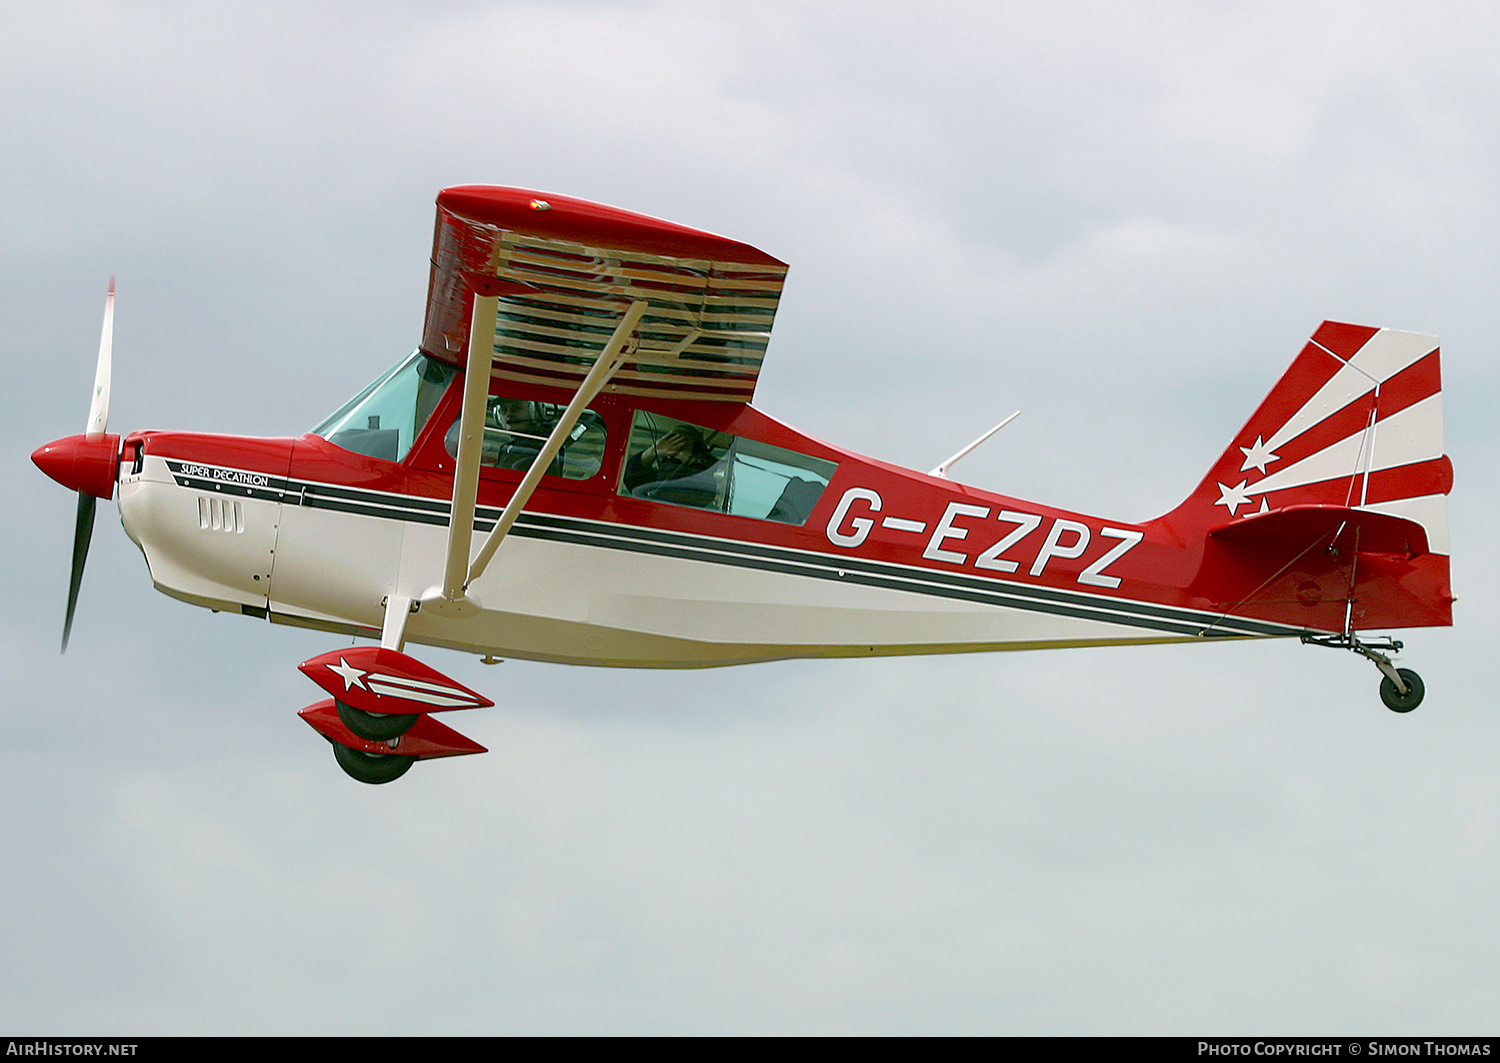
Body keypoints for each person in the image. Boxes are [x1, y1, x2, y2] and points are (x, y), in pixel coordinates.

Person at [622, 424, 719, 497]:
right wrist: (652, 452)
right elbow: (632, 481)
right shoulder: (661, 475)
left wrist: (692, 462)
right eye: (672, 443)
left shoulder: (703, 482)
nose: (674, 454)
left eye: (682, 446)